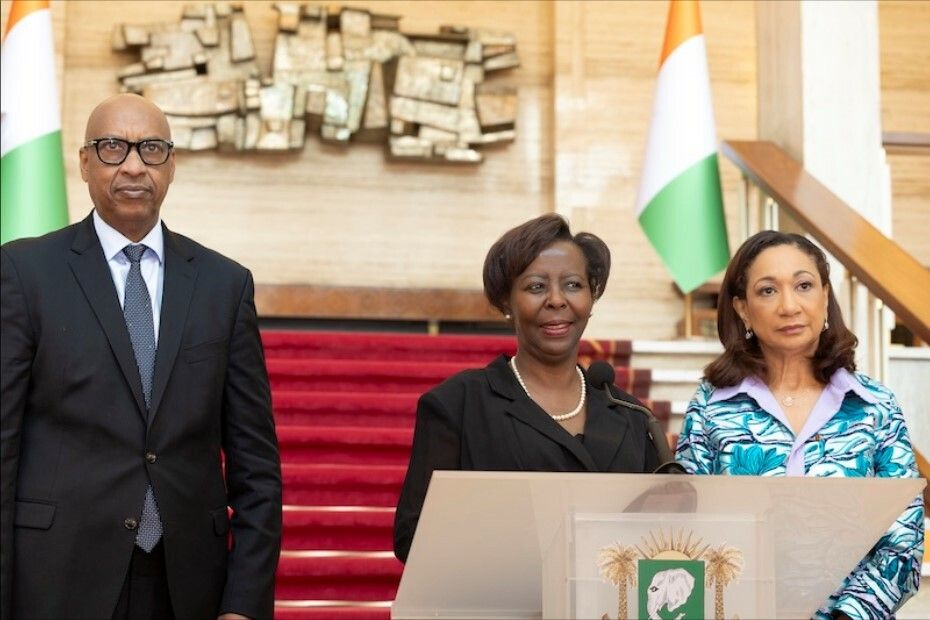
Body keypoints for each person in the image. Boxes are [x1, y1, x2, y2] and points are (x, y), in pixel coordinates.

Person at [1, 94, 282, 620]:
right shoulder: (25, 272)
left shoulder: (224, 285)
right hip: (56, 578)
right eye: (113, 147)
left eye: (152, 149)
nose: (134, 166)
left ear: (171, 164)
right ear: (84, 162)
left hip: (186, 584)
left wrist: (244, 604)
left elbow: (257, 466)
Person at [675, 230, 923, 619]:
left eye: (803, 286)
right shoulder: (711, 406)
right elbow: (686, 530)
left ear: (825, 295)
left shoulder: (874, 406)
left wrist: (847, 616)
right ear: (743, 309)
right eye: (768, 291)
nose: (789, 306)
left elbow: (903, 542)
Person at [394, 214, 661, 562]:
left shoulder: (631, 415)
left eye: (573, 285)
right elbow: (414, 535)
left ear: (591, 297)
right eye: (536, 287)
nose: (557, 300)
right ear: (506, 301)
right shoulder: (458, 404)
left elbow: (661, 534)